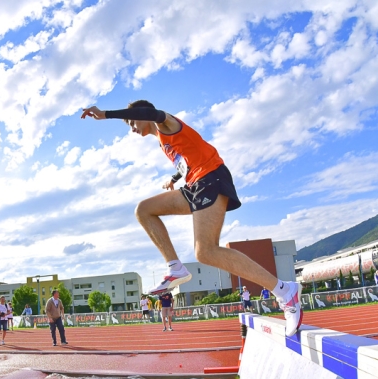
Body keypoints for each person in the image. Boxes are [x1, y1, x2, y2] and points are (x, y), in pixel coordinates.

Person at [81, 101, 303, 336]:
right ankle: (175, 267)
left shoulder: (166, 123)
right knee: (143, 210)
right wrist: (175, 177)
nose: (132, 128)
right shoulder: (163, 141)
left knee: (205, 251)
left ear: (143, 115)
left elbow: (149, 112)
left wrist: (106, 114)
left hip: (211, 178)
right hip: (195, 184)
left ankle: (284, 291)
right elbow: (188, 158)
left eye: (132, 122)